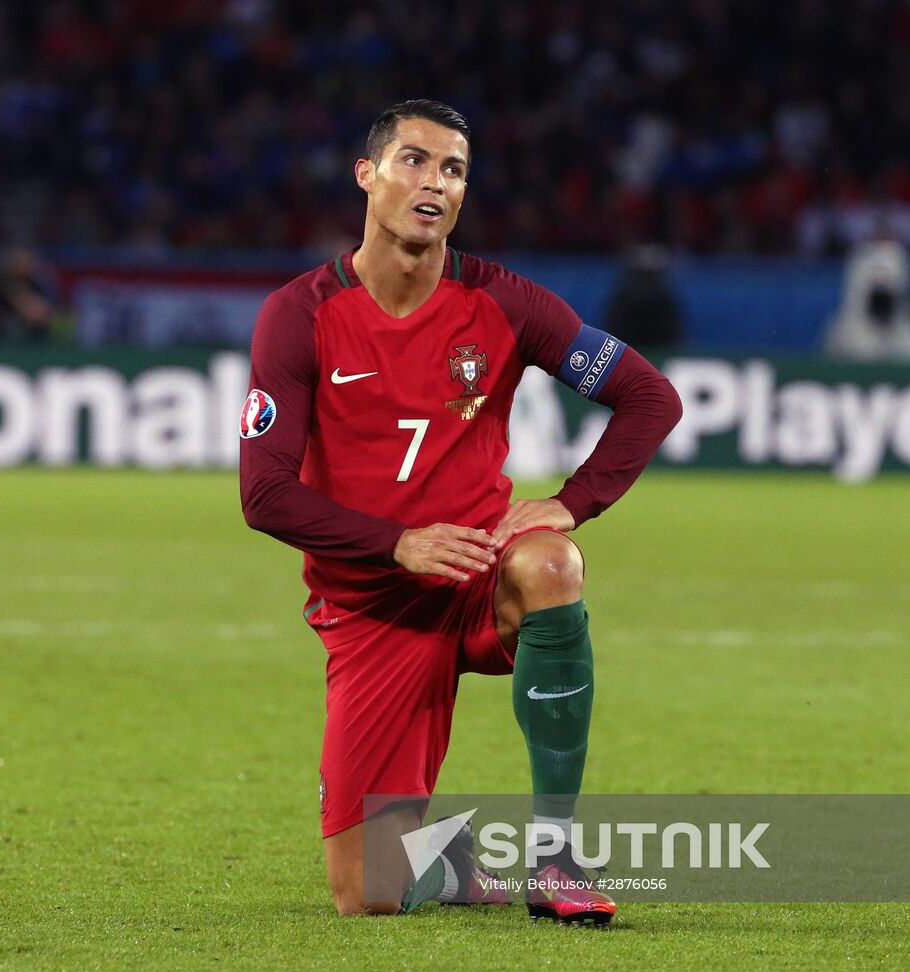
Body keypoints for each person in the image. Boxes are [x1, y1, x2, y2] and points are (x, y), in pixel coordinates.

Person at [238, 100, 682, 921]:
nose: (433, 182)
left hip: (480, 577)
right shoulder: (298, 316)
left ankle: (556, 858)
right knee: (366, 895)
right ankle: (447, 862)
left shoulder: (507, 305)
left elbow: (648, 398)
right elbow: (263, 494)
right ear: (366, 176)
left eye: (453, 169)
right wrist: (396, 544)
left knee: (550, 560)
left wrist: (569, 503)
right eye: (413, 160)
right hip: (372, 608)